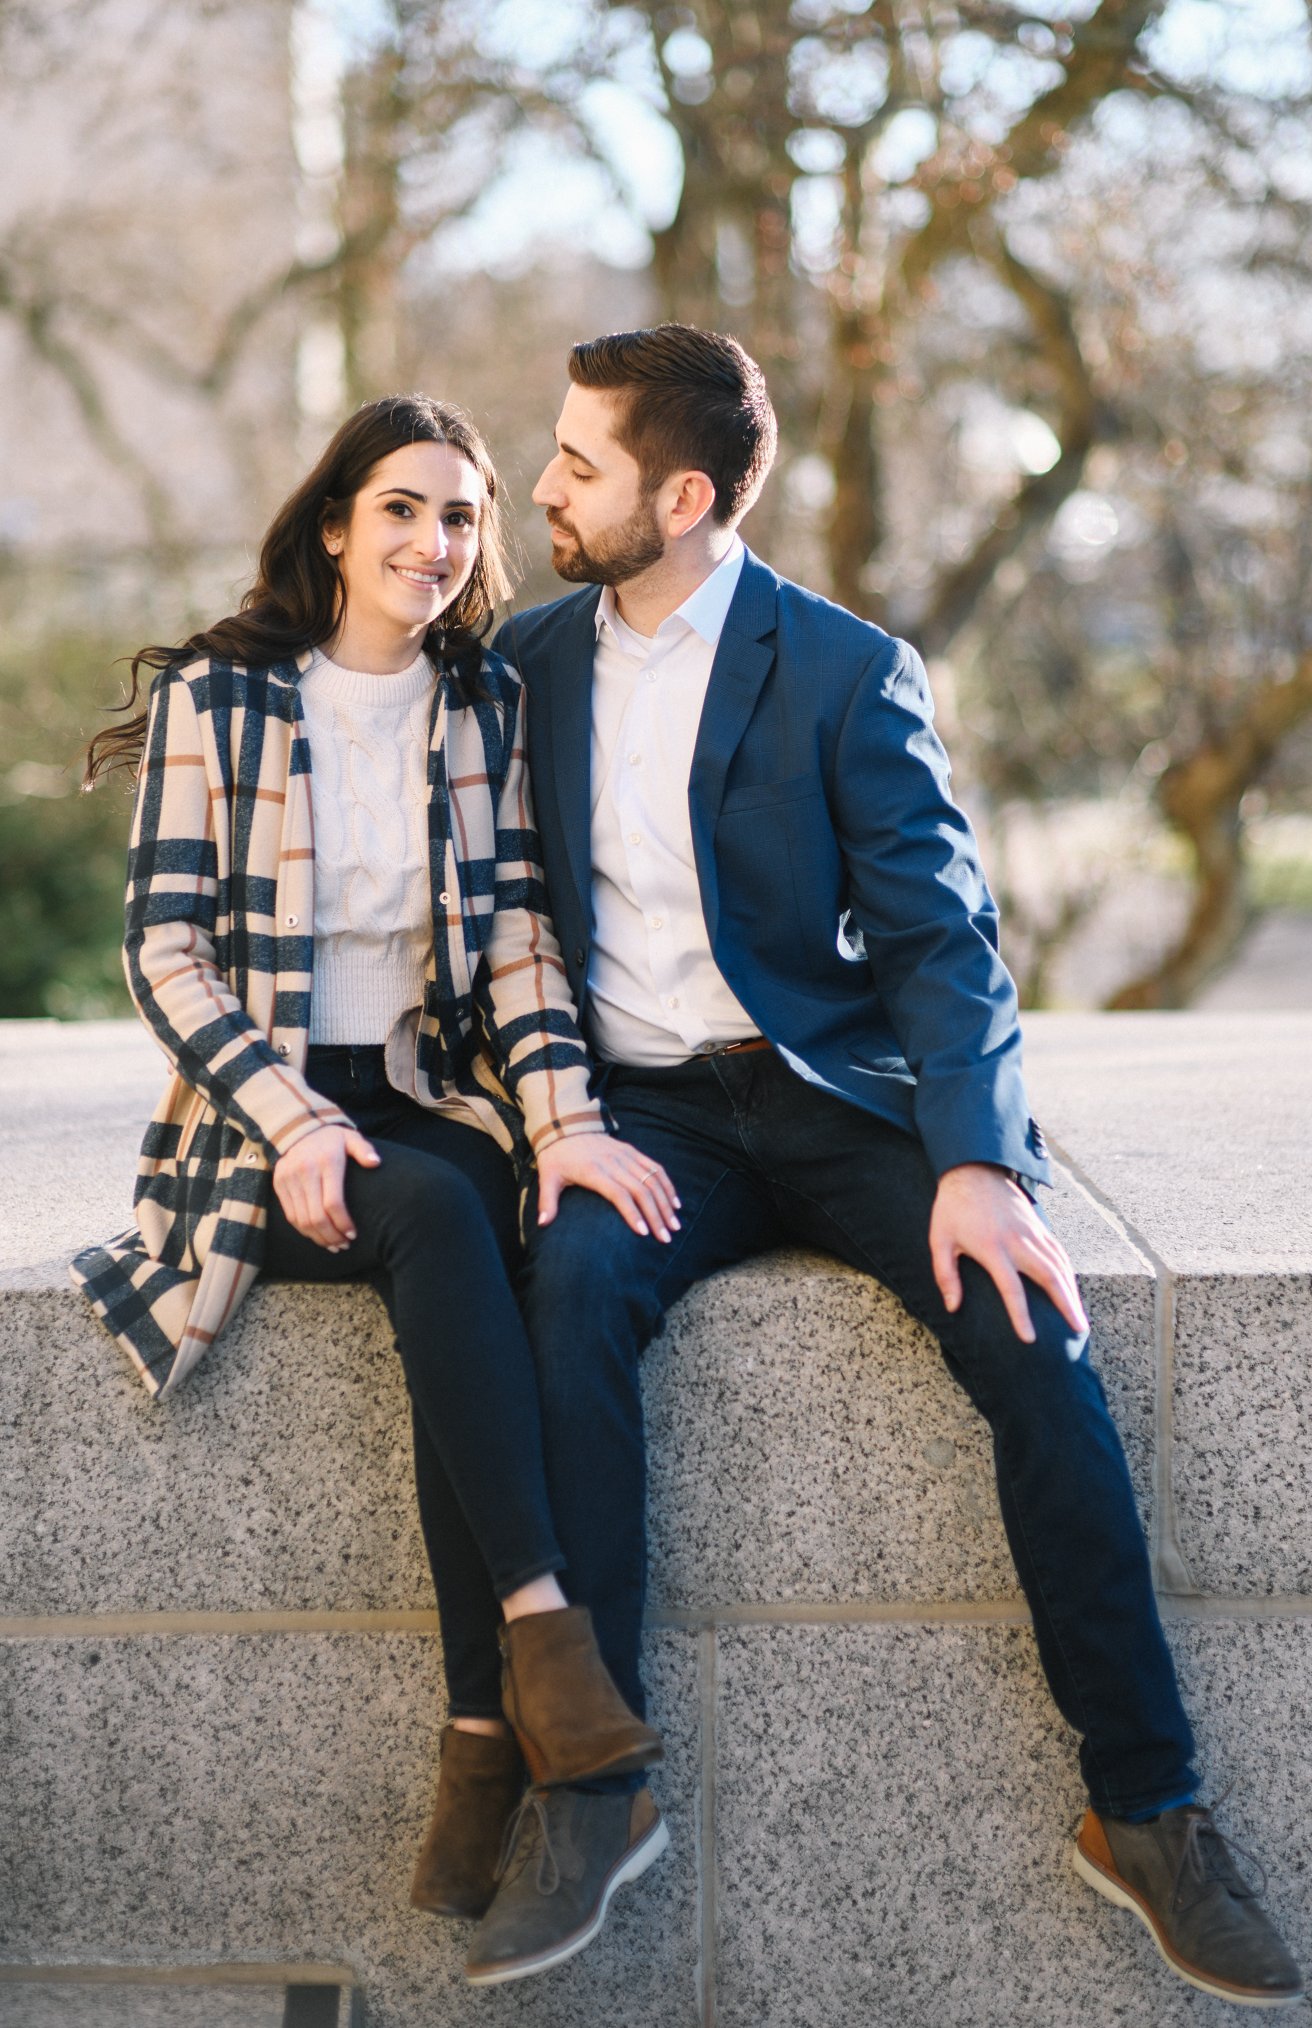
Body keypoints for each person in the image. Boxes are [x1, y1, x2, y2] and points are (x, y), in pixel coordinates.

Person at [468, 325, 1305, 2006]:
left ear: (683, 495)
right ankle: (599, 1788)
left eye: (580, 462)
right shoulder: (526, 661)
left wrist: (980, 1160)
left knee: (1035, 1336)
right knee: (565, 1285)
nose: (543, 485)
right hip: (643, 1118)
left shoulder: (846, 669)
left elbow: (945, 942)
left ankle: (1146, 1809)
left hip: (840, 1101)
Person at [71, 394, 679, 1968]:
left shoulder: (477, 705)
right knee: (423, 1210)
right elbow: (163, 952)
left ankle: (485, 1728)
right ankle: (545, 1636)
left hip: (420, 1093)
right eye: (404, 508)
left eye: (463, 518)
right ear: (337, 524)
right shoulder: (229, 697)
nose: (435, 541)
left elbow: (529, 945)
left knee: (484, 1217)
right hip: (254, 1118)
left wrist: (563, 1130)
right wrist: (290, 1122)